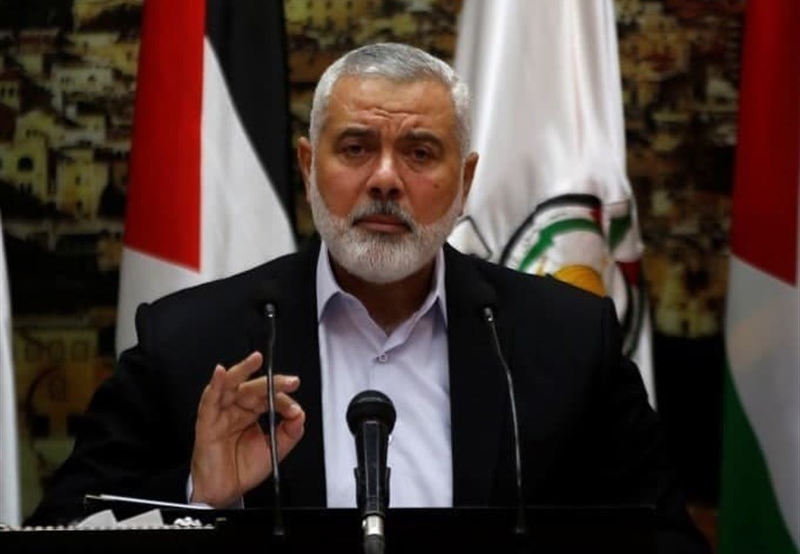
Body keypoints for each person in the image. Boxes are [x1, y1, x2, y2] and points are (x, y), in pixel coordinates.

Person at [27, 42, 708, 552]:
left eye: (420, 152)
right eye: (355, 148)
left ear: (465, 182)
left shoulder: (567, 340)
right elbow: (61, 526)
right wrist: (198, 499)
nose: (385, 178)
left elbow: (666, 538)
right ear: (307, 166)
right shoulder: (189, 342)